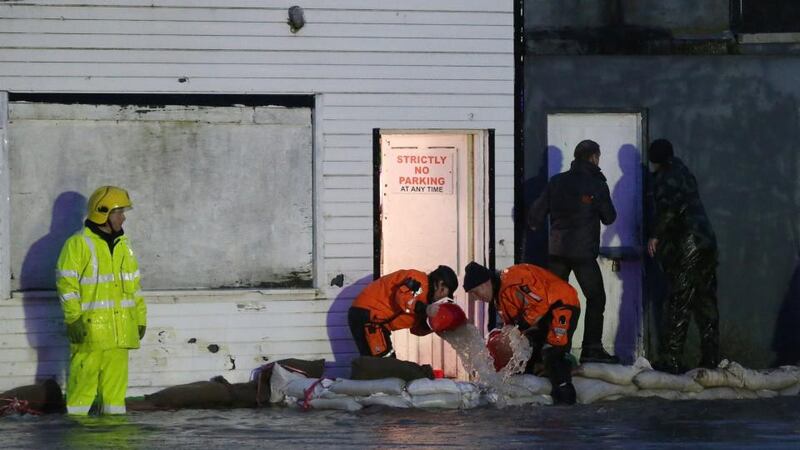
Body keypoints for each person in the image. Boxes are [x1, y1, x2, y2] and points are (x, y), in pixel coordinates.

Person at [56, 186, 147, 415]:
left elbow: (134, 287)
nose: (123, 217)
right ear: (102, 212)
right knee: (82, 394)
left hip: (120, 334)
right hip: (90, 333)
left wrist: (140, 319)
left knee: (115, 397)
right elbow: (67, 286)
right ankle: (79, 440)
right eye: (119, 212)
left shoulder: (123, 245)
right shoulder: (77, 244)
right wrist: (73, 319)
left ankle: (114, 440)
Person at [527, 139, 618, 364]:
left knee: (556, 302)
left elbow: (535, 216)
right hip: (583, 254)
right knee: (596, 298)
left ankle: (554, 349)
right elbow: (610, 217)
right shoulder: (596, 184)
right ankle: (591, 349)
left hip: (556, 252)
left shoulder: (556, 182)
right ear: (594, 157)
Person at [646, 139, 720, 374]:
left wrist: (655, 236)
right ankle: (711, 358)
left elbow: (669, 209)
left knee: (680, 300)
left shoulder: (664, 177)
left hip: (686, 243)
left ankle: (672, 359)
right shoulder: (684, 172)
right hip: (706, 240)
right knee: (706, 300)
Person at [463, 261, 580, 405]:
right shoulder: (498, 300)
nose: (475, 298)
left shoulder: (514, 278)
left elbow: (540, 304)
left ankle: (566, 401)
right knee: (527, 355)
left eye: (475, 292)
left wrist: (518, 327)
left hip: (561, 304)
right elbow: (512, 324)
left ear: (486, 283)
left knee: (552, 354)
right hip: (542, 316)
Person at [348, 265, 458, 358]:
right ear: (439, 284)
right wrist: (426, 309)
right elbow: (402, 297)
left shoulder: (427, 302)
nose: (444, 298)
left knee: (380, 365)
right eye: (445, 292)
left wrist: (434, 325)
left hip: (378, 323)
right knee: (384, 366)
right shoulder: (417, 280)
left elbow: (416, 330)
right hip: (368, 314)